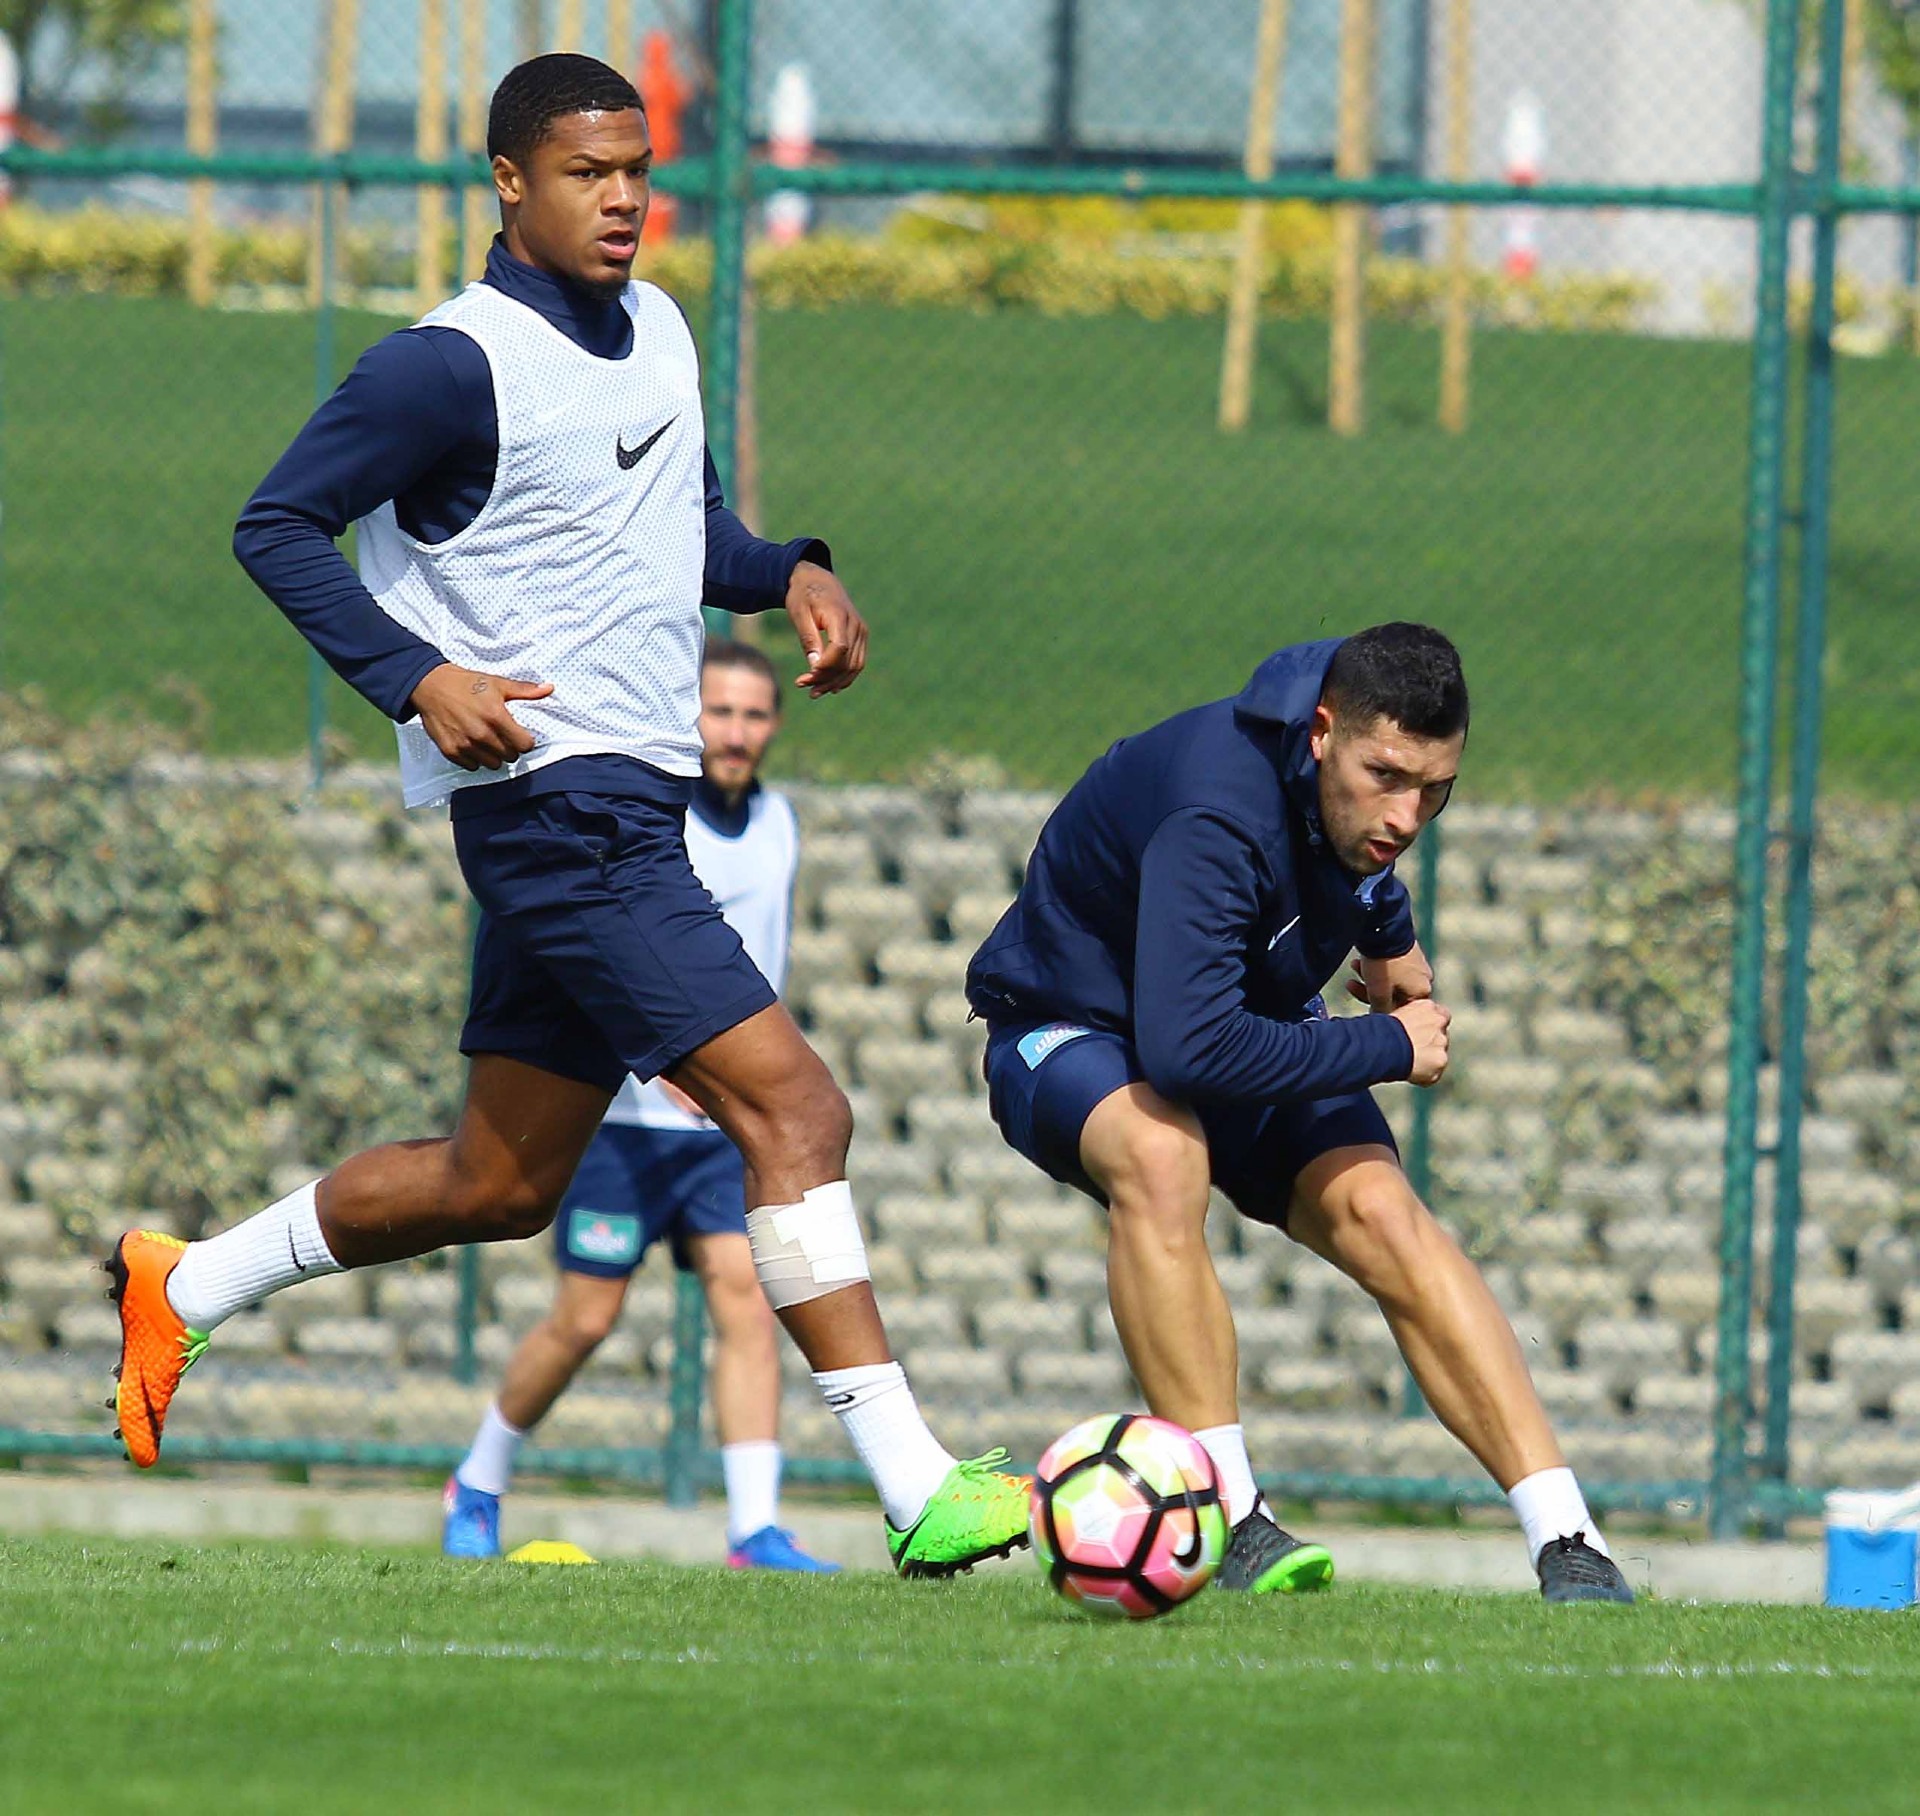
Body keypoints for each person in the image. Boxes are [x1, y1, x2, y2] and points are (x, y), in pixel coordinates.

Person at [108, 53, 1029, 1579]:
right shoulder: (444, 367)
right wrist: (417, 680)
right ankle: (914, 1485)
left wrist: (790, 570)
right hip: (555, 807)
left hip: (627, 810)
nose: (623, 200)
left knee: (503, 1185)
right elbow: (274, 525)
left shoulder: (659, 329)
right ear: (509, 183)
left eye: (638, 170)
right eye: (587, 173)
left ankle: (184, 1285)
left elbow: (687, 535)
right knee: (799, 1113)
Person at [966, 623, 1635, 1604]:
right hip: (1072, 1029)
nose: (1406, 815)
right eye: (1387, 777)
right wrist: (1390, 1045)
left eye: (1436, 789)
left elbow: (1354, 860)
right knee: (1161, 1154)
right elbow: (1186, 1053)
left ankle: (1569, 1539)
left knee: (1383, 1214)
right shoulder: (1215, 811)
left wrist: (1389, 931)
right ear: (1322, 732)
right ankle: (1229, 1519)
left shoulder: (1351, 773)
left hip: (1236, 1022)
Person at [444, 640, 835, 1571]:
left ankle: (754, 1529)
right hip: (621, 1119)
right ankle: (478, 1481)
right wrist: (661, 1060)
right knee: (586, 1319)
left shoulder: (780, 824)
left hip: (720, 1130)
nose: (734, 733)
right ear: (687, 715)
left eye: (752, 715)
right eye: (719, 712)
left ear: (774, 726)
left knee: (748, 1300)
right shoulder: (650, 820)